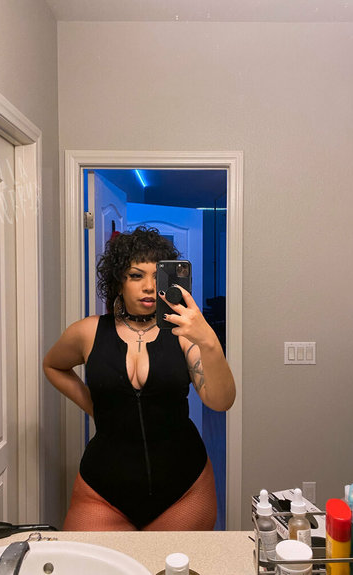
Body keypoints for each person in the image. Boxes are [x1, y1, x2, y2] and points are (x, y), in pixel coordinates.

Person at [43, 226, 236, 531]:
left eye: (158, 277)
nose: (149, 287)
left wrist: (209, 341)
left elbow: (221, 401)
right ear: (118, 281)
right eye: (136, 275)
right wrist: (94, 407)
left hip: (184, 488)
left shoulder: (184, 335)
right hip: (102, 492)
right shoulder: (86, 332)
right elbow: (53, 366)